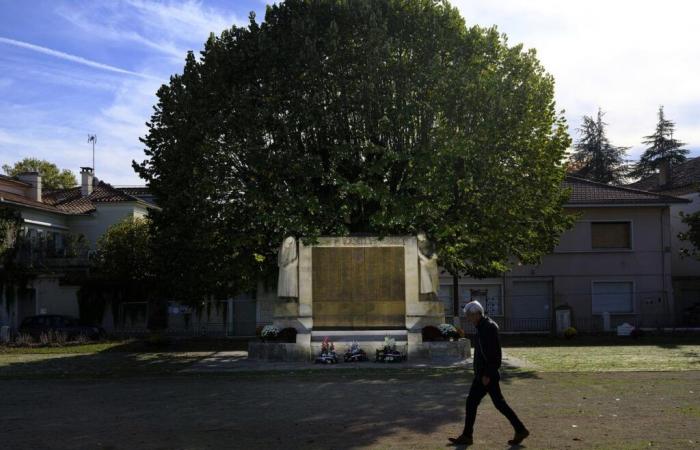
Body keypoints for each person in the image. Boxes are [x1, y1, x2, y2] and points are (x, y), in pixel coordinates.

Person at [449, 300, 529, 446]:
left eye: (469, 315)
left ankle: (468, 436)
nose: (468, 318)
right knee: (497, 403)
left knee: (474, 402)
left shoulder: (488, 327)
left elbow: (494, 354)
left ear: (477, 314)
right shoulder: (482, 326)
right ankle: (520, 429)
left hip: (485, 375)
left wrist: (487, 374)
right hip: (484, 374)